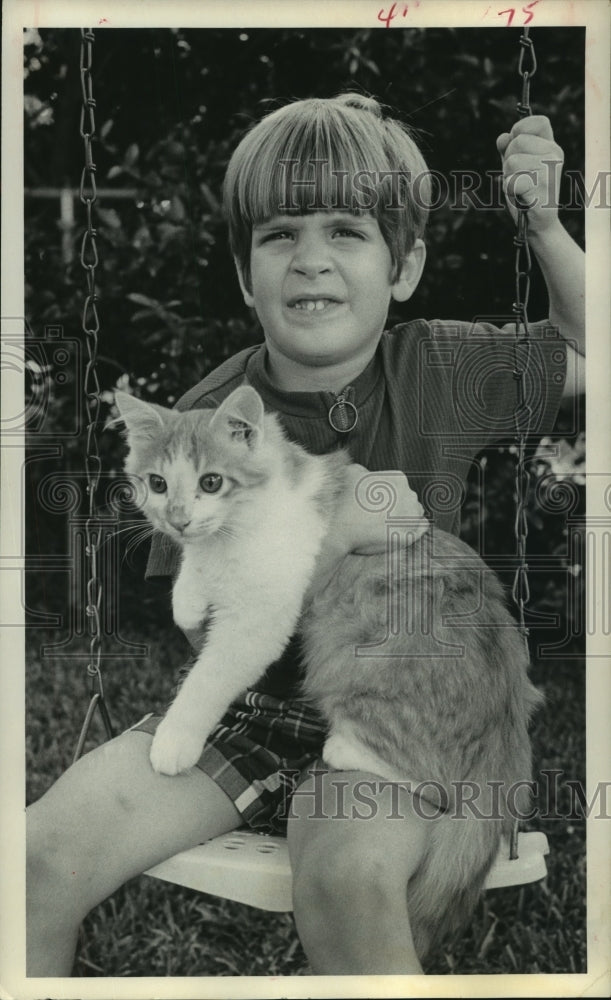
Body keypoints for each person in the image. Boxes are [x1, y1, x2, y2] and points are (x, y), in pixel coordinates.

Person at [26, 93, 584, 977]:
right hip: (252, 707)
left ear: (404, 267)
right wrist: (336, 535)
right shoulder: (212, 419)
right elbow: (204, 614)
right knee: (33, 860)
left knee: (348, 873)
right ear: (246, 274)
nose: (311, 259)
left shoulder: (439, 364)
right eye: (280, 234)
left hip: (394, 706)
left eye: (347, 232)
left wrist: (547, 226)